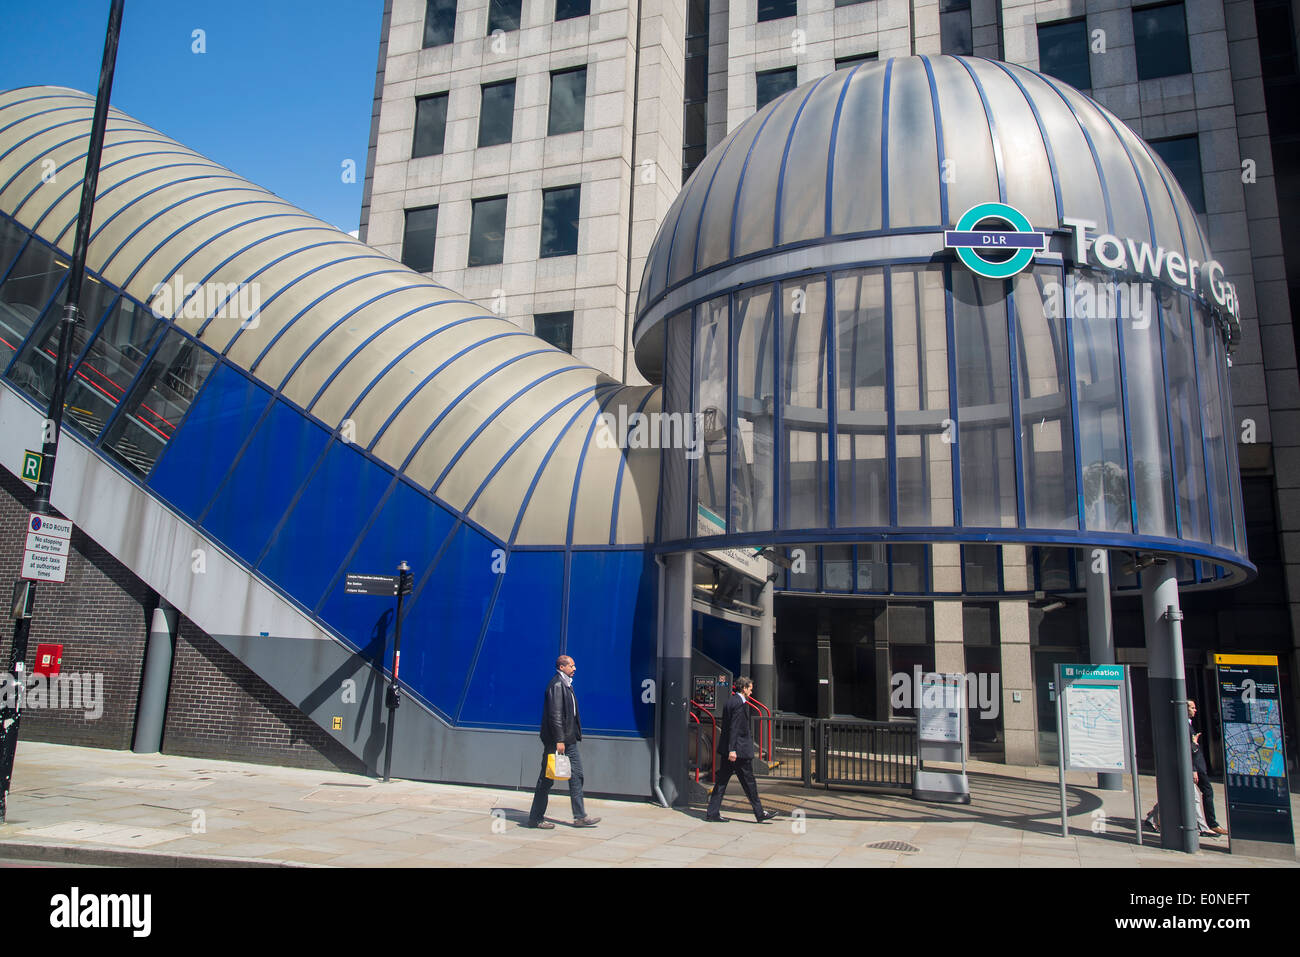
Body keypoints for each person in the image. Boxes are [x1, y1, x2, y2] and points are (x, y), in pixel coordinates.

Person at [526, 655, 600, 829]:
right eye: (571, 666)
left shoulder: (567, 684)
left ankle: (580, 816)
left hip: (569, 739)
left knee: (576, 775)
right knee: (546, 779)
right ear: (561, 667)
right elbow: (555, 715)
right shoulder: (557, 685)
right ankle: (535, 818)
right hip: (558, 741)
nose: (574, 669)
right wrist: (559, 739)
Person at [1142, 699, 1224, 838]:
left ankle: (1152, 818)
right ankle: (1202, 827)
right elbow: (1185, 748)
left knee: (1175, 794)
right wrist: (1194, 747)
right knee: (1194, 797)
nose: (1195, 710)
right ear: (1184, 709)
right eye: (1192, 707)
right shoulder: (1181, 725)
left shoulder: (1186, 724)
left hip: (1192, 766)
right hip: (1188, 767)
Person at [704, 676, 778, 824]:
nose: (751, 692)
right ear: (743, 688)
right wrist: (733, 750)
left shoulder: (730, 701)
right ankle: (759, 813)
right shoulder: (739, 704)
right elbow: (735, 728)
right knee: (749, 783)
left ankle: (712, 812)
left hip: (729, 751)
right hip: (738, 751)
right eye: (750, 689)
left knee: (722, 782)